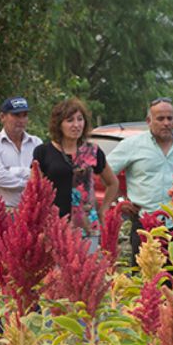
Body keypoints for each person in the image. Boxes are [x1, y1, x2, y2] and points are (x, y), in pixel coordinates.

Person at [106, 97, 173, 262]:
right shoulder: (132, 145)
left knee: (171, 280)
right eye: (160, 118)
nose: (166, 123)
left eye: (170, 118)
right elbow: (104, 172)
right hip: (144, 224)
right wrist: (120, 200)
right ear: (149, 121)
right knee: (142, 281)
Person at [33, 98, 119, 246]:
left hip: (86, 227)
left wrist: (104, 209)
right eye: (70, 120)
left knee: (86, 268)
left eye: (80, 119)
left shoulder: (93, 151)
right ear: (59, 124)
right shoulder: (43, 152)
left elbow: (113, 183)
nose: (76, 125)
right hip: (54, 227)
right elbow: (34, 189)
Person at [0, 96, 43, 209]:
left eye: (24, 115)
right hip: (4, 211)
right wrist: (29, 180)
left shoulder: (37, 143)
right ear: (2, 117)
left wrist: (11, 171)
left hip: (33, 210)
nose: (21, 120)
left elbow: (42, 175)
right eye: (16, 115)